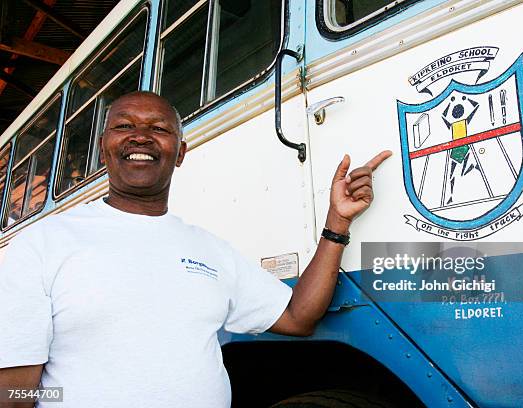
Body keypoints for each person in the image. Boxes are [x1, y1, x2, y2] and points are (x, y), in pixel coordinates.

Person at [0, 91, 391, 408]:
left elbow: (296, 318)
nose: (140, 136)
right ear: (105, 148)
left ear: (181, 152)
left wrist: (337, 223)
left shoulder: (209, 250)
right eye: (124, 126)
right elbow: (14, 392)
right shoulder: (43, 244)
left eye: (158, 128)